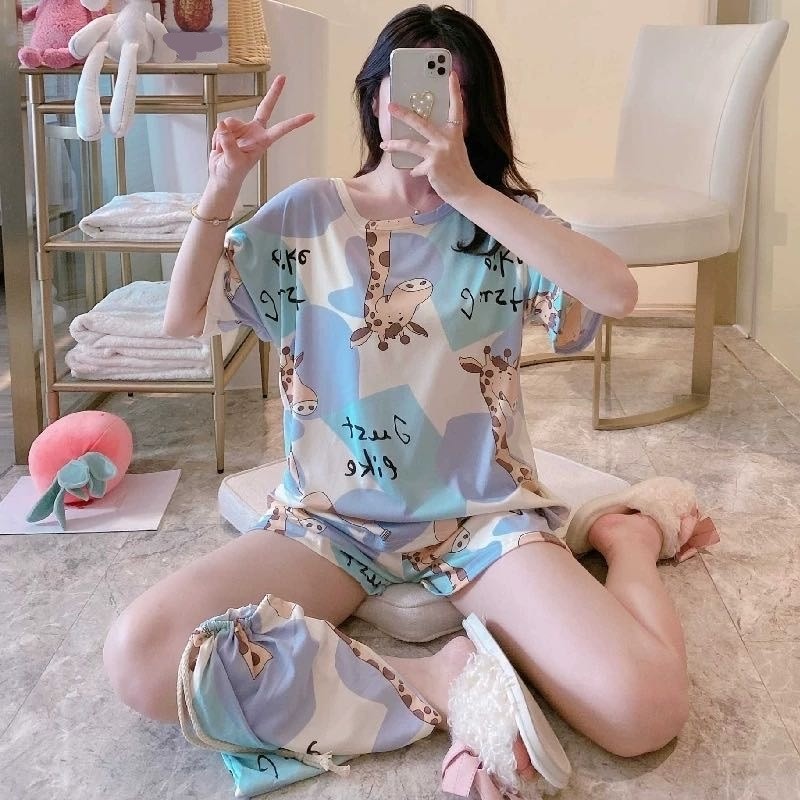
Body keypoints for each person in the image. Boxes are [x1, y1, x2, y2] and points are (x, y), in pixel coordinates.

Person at [103, 5, 718, 798]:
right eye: (407, 85)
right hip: (329, 521)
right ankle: (442, 677)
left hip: (481, 519)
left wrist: (467, 190)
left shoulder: (507, 224)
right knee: (141, 658)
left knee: (646, 711)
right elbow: (183, 316)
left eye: (447, 93)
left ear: (475, 111)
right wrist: (222, 185)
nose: (421, 108)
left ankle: (628, 537)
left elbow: (616, 293)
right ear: (373, 97)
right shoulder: (309, 213)